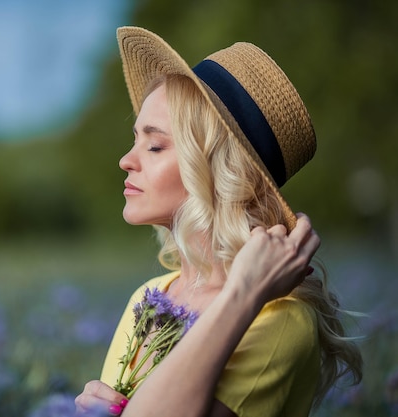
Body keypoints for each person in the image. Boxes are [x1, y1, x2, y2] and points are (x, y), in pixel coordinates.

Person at [74, 26, 363, 417]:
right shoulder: (152, 296)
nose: (127, 160)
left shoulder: (279, 316)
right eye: (135, 140)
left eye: (155, 145)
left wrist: (243, 295)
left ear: (216, 170)